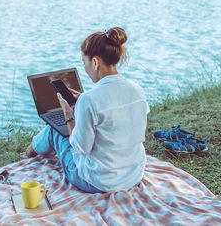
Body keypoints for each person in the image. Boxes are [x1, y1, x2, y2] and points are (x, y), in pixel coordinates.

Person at [24, 27, 150, 193]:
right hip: (132, 176)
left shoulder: (89, 100)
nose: (85, 68)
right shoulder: (137, 90)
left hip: (98, 182)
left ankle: (29, 153)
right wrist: (83, 103)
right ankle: (31, 150)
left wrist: (69, 115)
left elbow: (81, 148)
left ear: (96, 62)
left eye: (85, 63)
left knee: (54, 131)